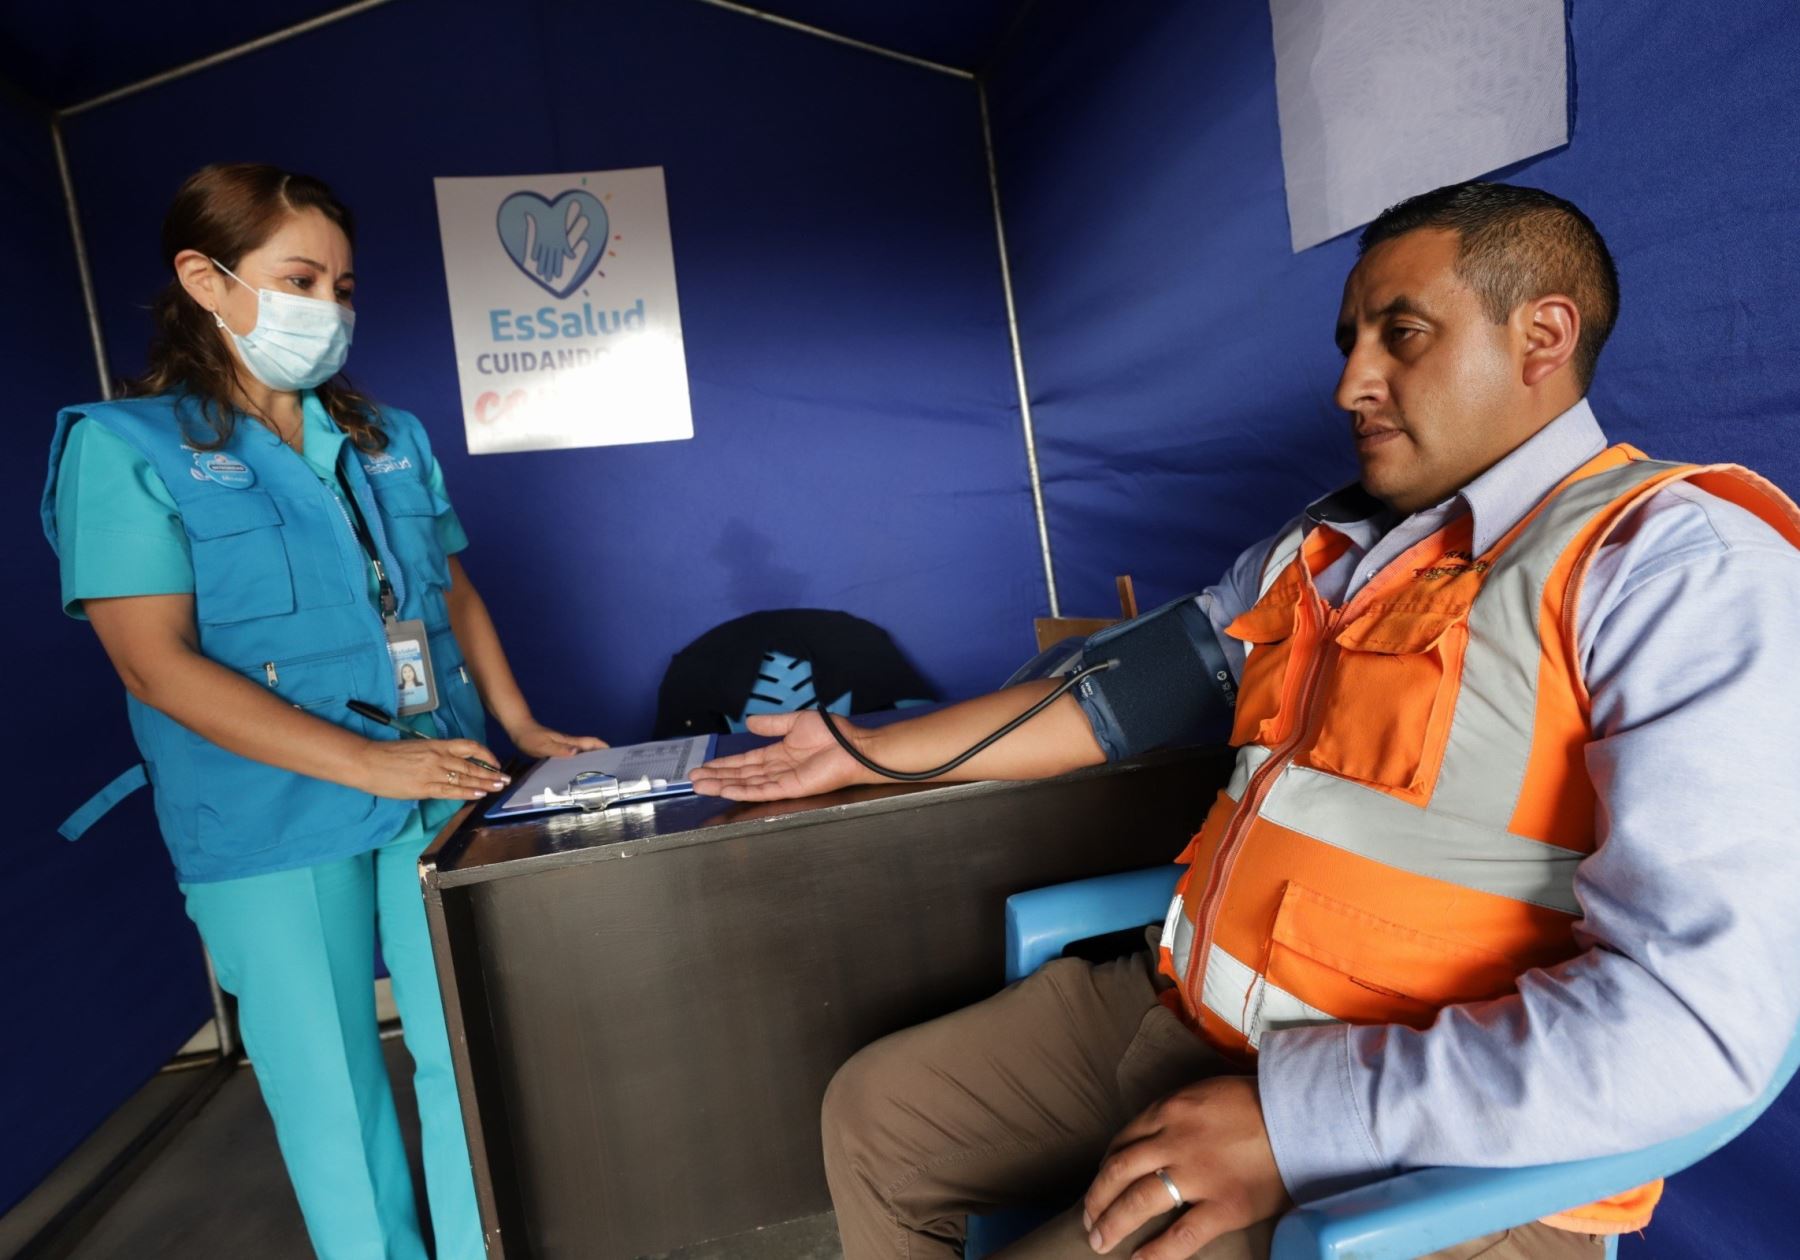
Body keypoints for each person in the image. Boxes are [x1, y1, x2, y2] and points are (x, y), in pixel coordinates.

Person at [690, 181, 1800, 1259]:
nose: (1351, 383)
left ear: (1542, 336)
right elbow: (1116, 701)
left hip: (1428, 1138)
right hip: (1191, 1020)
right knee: (878, 1115)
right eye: (1349, 340)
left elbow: (1690, 1026)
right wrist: (862, 752)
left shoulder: (1675, 568)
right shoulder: (1325, 546)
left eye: (1400, 334)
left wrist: (1298, 1122)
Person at [42, 163, 606, 1260]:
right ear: (206, 279)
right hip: (266, 820)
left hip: (434, 782)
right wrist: (364, 763)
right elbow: (155, 665)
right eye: (299, 279)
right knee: (333, 1091)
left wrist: (522, 722)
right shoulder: (125, 449)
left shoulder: (387, 433)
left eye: (344, 286)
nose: (330, 309)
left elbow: (451, 587)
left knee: (472, 1056)